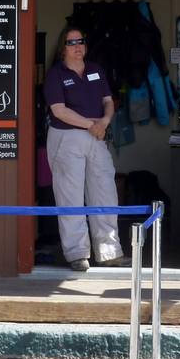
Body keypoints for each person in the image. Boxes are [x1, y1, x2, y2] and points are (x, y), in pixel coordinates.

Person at [44, 26, 129, 271]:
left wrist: (104, 122)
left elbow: (108, 101)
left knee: (105, 192)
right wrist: (91, 125)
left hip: (97, 136)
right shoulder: (55, 74)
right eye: (71, 42)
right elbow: (59, 110)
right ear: (62, 48)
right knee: (70, 195)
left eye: (80, 41)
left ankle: (109, 251)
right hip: (67, 137)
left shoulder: (96, 70)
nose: (77, 46)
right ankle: (77, 253)